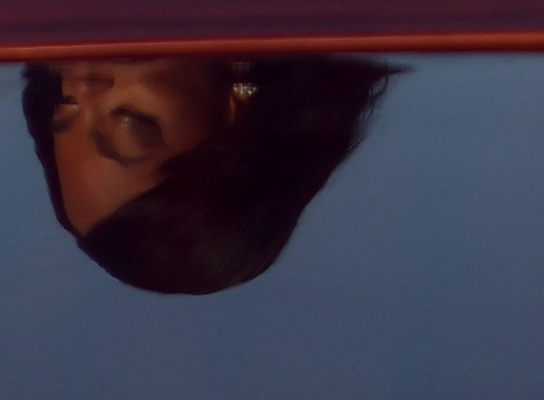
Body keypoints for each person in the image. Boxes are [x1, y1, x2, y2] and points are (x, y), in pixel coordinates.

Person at [21, 56, 390, 294]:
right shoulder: (408, 0)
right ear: (240, 112)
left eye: (65, 104)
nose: (79, 85)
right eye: (132, 120)